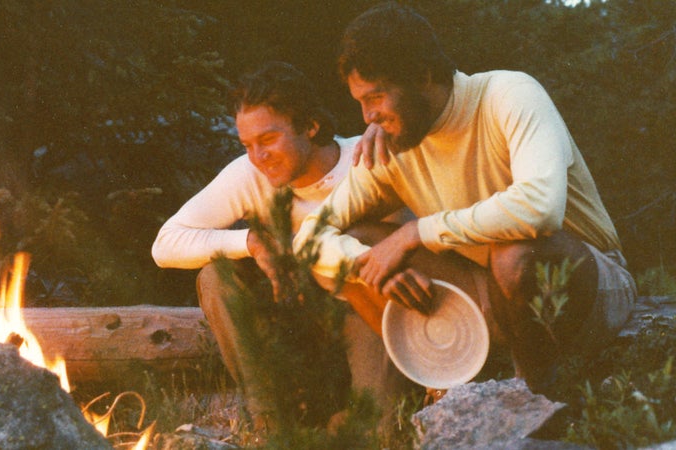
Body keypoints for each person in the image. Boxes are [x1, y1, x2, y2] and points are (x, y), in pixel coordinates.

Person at [294, 2, 637, 394]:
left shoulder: (509, 94)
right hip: (491, 295)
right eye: (360, 102)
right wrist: (366, 264)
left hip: (584, 286)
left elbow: (540, 208)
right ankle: (452, 381)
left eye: (376, 97)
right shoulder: (392, 142)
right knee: (361, 242)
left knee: (512, 255)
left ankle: (532, 399)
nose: (367, 116)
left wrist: (415, 233)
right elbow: (309, 239)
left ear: (422, 76)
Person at [151, 61, 410, 433]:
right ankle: (272, 423)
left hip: (366, 315)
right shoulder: (251, 173)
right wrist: (251, 241)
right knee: (216, 276)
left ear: (310, 126)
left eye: (269, 139)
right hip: (297, 325)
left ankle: (353, 416)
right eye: (247, 145)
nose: (259, 156)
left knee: (380, 431)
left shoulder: (368, 157)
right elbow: (166, 243)